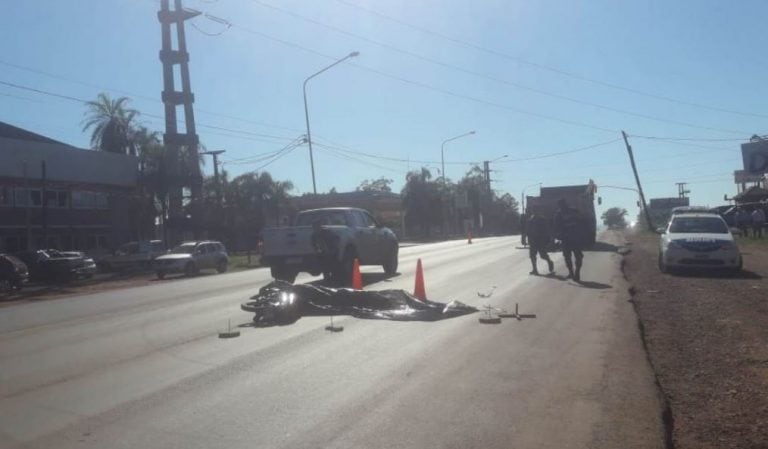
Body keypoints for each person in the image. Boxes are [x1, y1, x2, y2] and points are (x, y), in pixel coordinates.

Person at [553, 198, 586, 282]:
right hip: (571, 238)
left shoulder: (561, 213)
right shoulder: (571, 211)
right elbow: (582, 222)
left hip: (571, 238)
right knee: (573, 256)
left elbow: (556, 227)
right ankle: (574, 273)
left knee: (572, 257)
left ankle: (574, 272)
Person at [525, 205, 554, 275]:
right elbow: (527, 230)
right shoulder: (530, 220)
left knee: (543, 255)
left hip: (540, 240)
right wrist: (526, 238)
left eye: (536, 210)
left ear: (538, 211)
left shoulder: (542, 219)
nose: (534, 211)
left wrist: (548, 239)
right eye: (533, 210)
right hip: (532, 240)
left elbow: (547, 230)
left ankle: (549, 262)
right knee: (532, 255)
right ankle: (535, 269)